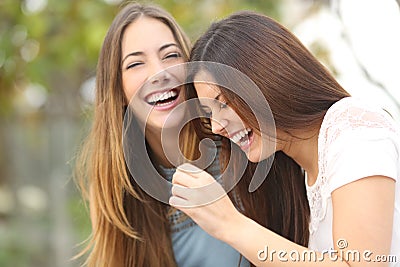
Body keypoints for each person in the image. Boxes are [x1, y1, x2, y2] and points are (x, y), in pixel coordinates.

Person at [170, 11, 400, 266]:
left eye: (223, 103)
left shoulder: (353, 126)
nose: (215, 127)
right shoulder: (292, 173)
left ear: (265, 78)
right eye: (208, 114)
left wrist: (230, 225)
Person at [74, 3, 250, 266]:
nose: (159, 73)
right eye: (135, 64)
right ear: (118, 90)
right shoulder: (120, 189)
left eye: (170, 56)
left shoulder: (237, 142)